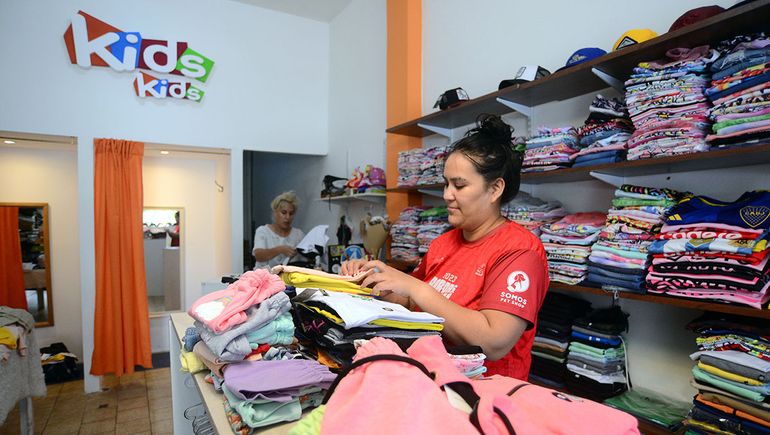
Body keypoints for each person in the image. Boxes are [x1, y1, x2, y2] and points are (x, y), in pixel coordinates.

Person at [341, 114, 549, 380]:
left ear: (495, 189)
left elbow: (494, 341)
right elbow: (411, 301)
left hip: (484, 391)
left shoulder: (520, 251)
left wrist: (416, 288)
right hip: (431, 378)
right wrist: (374, 280)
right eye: (446, 184)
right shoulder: (444, 242)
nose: (447, 195)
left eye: (459, 185)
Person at [252, 191, 305, 269]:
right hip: (264, 275)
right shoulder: (263, 231)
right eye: (283, 213)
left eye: (291, 214)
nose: (287, 217)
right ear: (275, 213)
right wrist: (280, 250)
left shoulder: (298, 234)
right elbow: (258, 255)